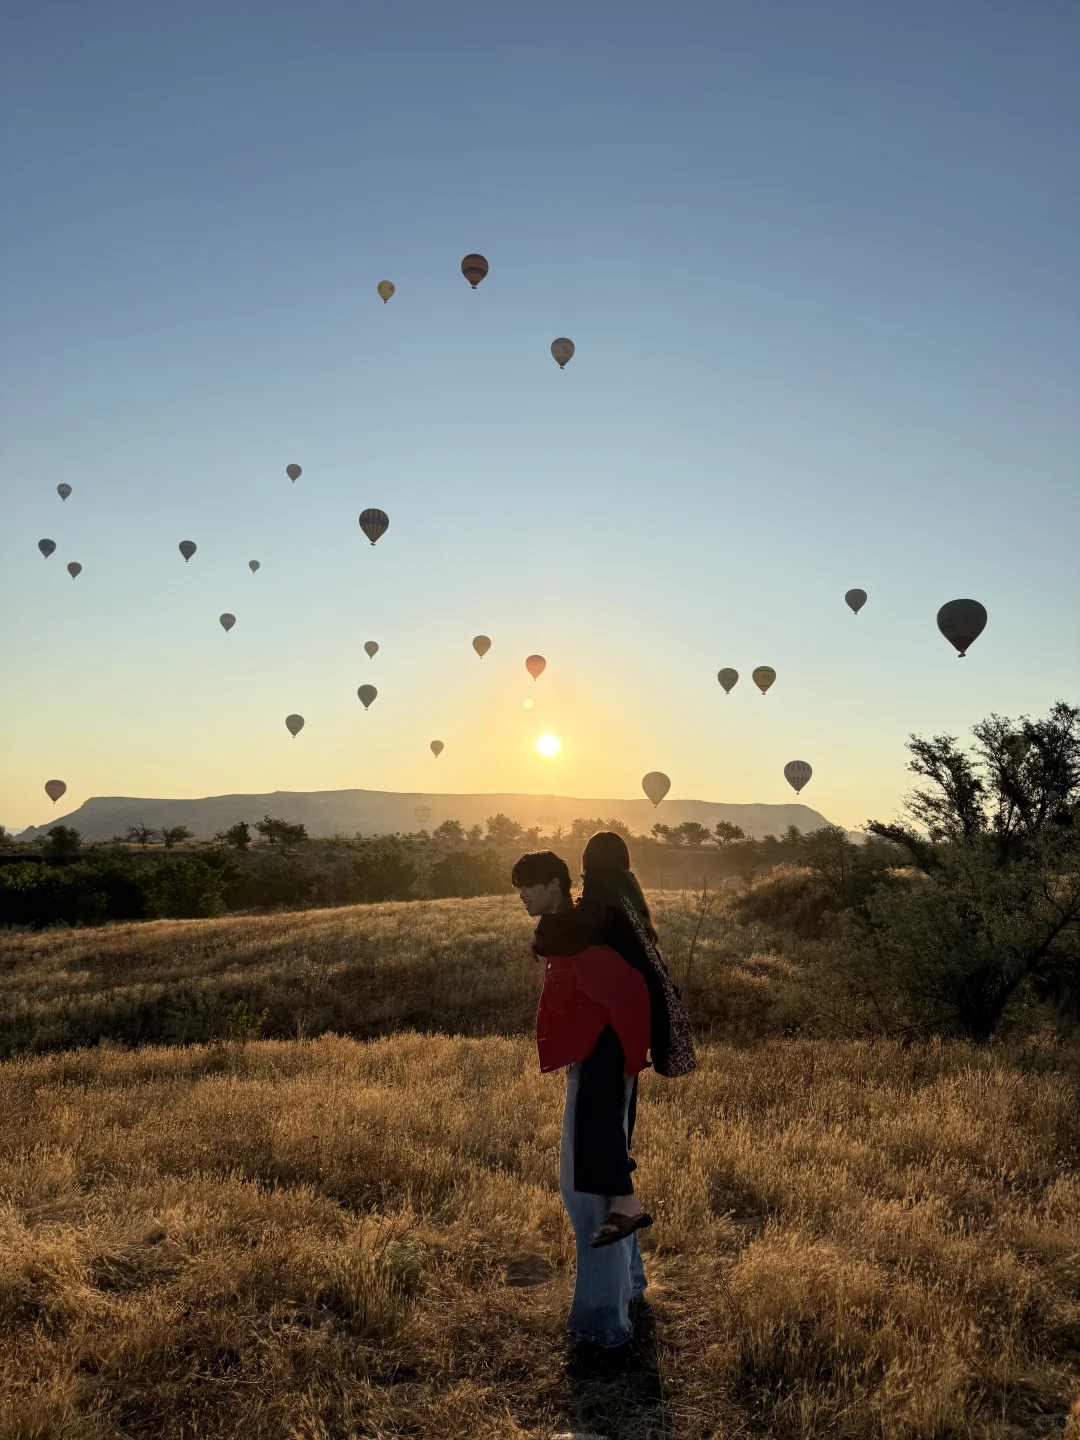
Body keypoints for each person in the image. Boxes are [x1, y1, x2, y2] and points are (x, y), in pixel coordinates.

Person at [513, 850, 652, 1354]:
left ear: (556, 885)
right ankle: (630, 1289)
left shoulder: (578, 936)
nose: (523, 895)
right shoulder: (572, 932)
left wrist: (624, 1062)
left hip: (600, 1068)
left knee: (587, 1191)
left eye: (530, 885)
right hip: (603, 1064)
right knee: (608, 1182)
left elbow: (628, 993)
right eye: (518, 888)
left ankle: (601, 1324)